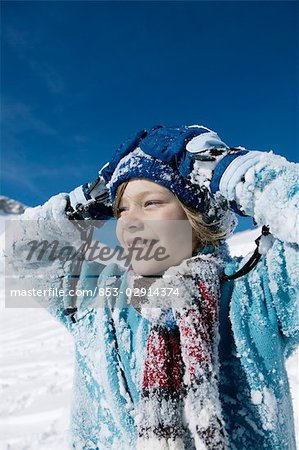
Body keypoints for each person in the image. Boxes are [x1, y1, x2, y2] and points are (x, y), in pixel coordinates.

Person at [6, 125, 298, 450]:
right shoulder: (99, 304)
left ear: (195, 218)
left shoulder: (253, 295)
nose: (130, 221)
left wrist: (234, 173)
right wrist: (79, 206)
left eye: (151, 204)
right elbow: (22, 255)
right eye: (121, 209)